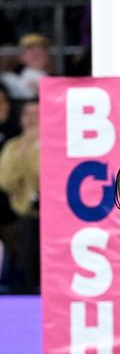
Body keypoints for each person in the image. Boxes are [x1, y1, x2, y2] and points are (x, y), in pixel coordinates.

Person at [0, 99, 40, 293]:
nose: (32, 120)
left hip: (54, 217)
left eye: (37, 115)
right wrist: (25, 148)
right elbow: (6, 181)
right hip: (25, 216)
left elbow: (42, 176)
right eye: (27, 115)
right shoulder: (12, 146)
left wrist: (34, 150)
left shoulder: (59, 143)